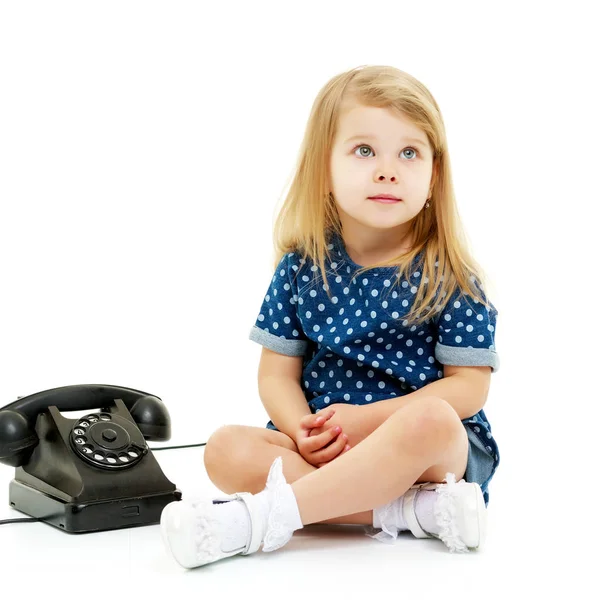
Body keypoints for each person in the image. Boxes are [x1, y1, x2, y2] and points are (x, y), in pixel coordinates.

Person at [160, 64, 500, 569]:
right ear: (324, 169)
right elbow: (276, 374)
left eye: (409, 153)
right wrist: (301, 430)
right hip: (323, 445)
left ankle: (258, 521)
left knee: (430, 419)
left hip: (425, 454)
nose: (388, 170)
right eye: (365, 150)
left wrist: (365, 421)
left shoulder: (449, 274)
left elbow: (467, 390)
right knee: (224, 449)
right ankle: (409, 512)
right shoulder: (302, 267)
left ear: (433, 176)